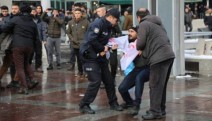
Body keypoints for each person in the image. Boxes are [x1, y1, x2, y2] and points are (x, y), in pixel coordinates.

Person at [79, 8, 123, 114]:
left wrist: (110, 46)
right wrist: (103, 48)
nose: (116, 23)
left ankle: (113, 103)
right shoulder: (98, 23)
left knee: (109, 81)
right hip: (90, 56)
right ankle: (84, 104)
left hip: (101, 57)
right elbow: (91, 39)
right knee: (95, 81)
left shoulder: (109, 26)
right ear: (111, 17)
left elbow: (103, 40)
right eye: (116, 21)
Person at [136, 8, 175, 120]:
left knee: (155, 85)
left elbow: (141, 43)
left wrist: (139, 47)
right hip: (168, 55)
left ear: (139, 17)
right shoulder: (158, 23)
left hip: (159, 57)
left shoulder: (143, 23)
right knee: (161, 85)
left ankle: (155, 112)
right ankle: (160, 109)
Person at [1, 5, 40, 94]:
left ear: (21, 11)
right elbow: (36, 38)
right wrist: (36, 50)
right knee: (26, 64)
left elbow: (3, 28)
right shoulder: (33, 22)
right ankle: (33, 79)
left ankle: (24, 87)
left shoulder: (16, 19)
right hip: (29, 47)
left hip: (18, 46)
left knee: (19, 67)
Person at [118, 26, 150, 116]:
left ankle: (136, 105)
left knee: (139, 79)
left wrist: (143, 50)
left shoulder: (144, 42)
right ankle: (129, 103)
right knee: (122, 88)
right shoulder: (129, 43)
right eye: (128, 31)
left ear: (138, 33)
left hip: (147, 68)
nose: (129, 33)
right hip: (137, 68)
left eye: (132, 31)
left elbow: (151, 50)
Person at [67, 8, 90, 76]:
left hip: (83, 44)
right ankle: (80, 71)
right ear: (74, 14)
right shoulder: (70, 22)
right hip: (75, 44)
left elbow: (89, 32)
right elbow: (68, 32)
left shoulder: (86, 22)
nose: (77, 15)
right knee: (78, 59)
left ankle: (86, 72)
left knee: (84, 58)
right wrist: (72, 39)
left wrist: (86, 41)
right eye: (76, 13)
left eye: (78, 13)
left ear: (81, 14)